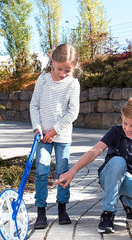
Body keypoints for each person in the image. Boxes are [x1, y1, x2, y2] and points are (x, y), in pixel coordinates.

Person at [55, 95, 132, 233]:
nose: (128, 129)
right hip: (109, 177)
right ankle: (108, 214)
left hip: (131, 181)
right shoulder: (116, 132)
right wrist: (72, 171)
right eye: (125, 123)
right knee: (118, 161)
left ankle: (126, 201)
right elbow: (94, 152)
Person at [30, 44, 81, 230]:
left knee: (62, 171)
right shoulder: (43, 80)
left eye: (68, 70)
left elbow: (73, 112)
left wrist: (55, 131)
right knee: (42, 170)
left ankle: (62, 208)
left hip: (62, 136)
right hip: (42, 136)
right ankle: (41, 211)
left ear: (74, 67)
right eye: (59, 69)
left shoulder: (73, 84)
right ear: (52, 62)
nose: (62, 73)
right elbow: (34, 105)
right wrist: (38, 127)